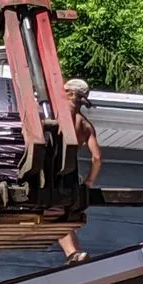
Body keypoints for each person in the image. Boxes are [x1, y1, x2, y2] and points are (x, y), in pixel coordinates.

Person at [58, 78, 102, 264]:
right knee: (65, 218)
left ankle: (72, 253)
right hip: (72, 177)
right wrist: (90, 181)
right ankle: (74, 254)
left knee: (57, 217)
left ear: (68, 93)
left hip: (52, 175)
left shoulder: (54, 116)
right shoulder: (85, 125)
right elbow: (97, 158)